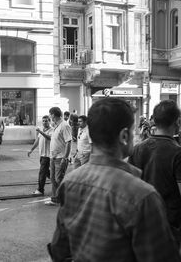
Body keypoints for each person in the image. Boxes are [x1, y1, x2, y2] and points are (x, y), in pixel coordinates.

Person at [48, 98, 181, 262]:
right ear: (124, 135)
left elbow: (59, 250)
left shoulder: (70, 182)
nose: (135, 137)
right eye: (133, 132)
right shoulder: (143, 196)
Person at [128, 100, 181, 243]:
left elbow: (129, 186)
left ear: (154, 120)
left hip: (142, 219)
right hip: (168, 224)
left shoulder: (138, 148)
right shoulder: (177, 153)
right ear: (177, 122)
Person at [45, 107, 72, 206]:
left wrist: (65, 158)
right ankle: (55, 199)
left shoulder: (65, 125)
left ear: (53, 115)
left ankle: (65, 199)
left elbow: (69, 142)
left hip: (61, 157)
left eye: (50, 114)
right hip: (53, 157)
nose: (49, 117)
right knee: (53, 178)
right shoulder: (56, 126)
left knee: (59, 179)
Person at [27, 115, 53, 196]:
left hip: (47, 155)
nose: (45, 122)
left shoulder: (52, 130)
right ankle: (58, 183)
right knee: (47, 173)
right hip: (42, 155)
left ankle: (40, 190)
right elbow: (37, 141)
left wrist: (41, 132)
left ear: (49, 121)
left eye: (46, 121)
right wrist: (31, 150)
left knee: (42, 172)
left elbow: (49, 138)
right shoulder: (41, 129)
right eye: (43, 121)